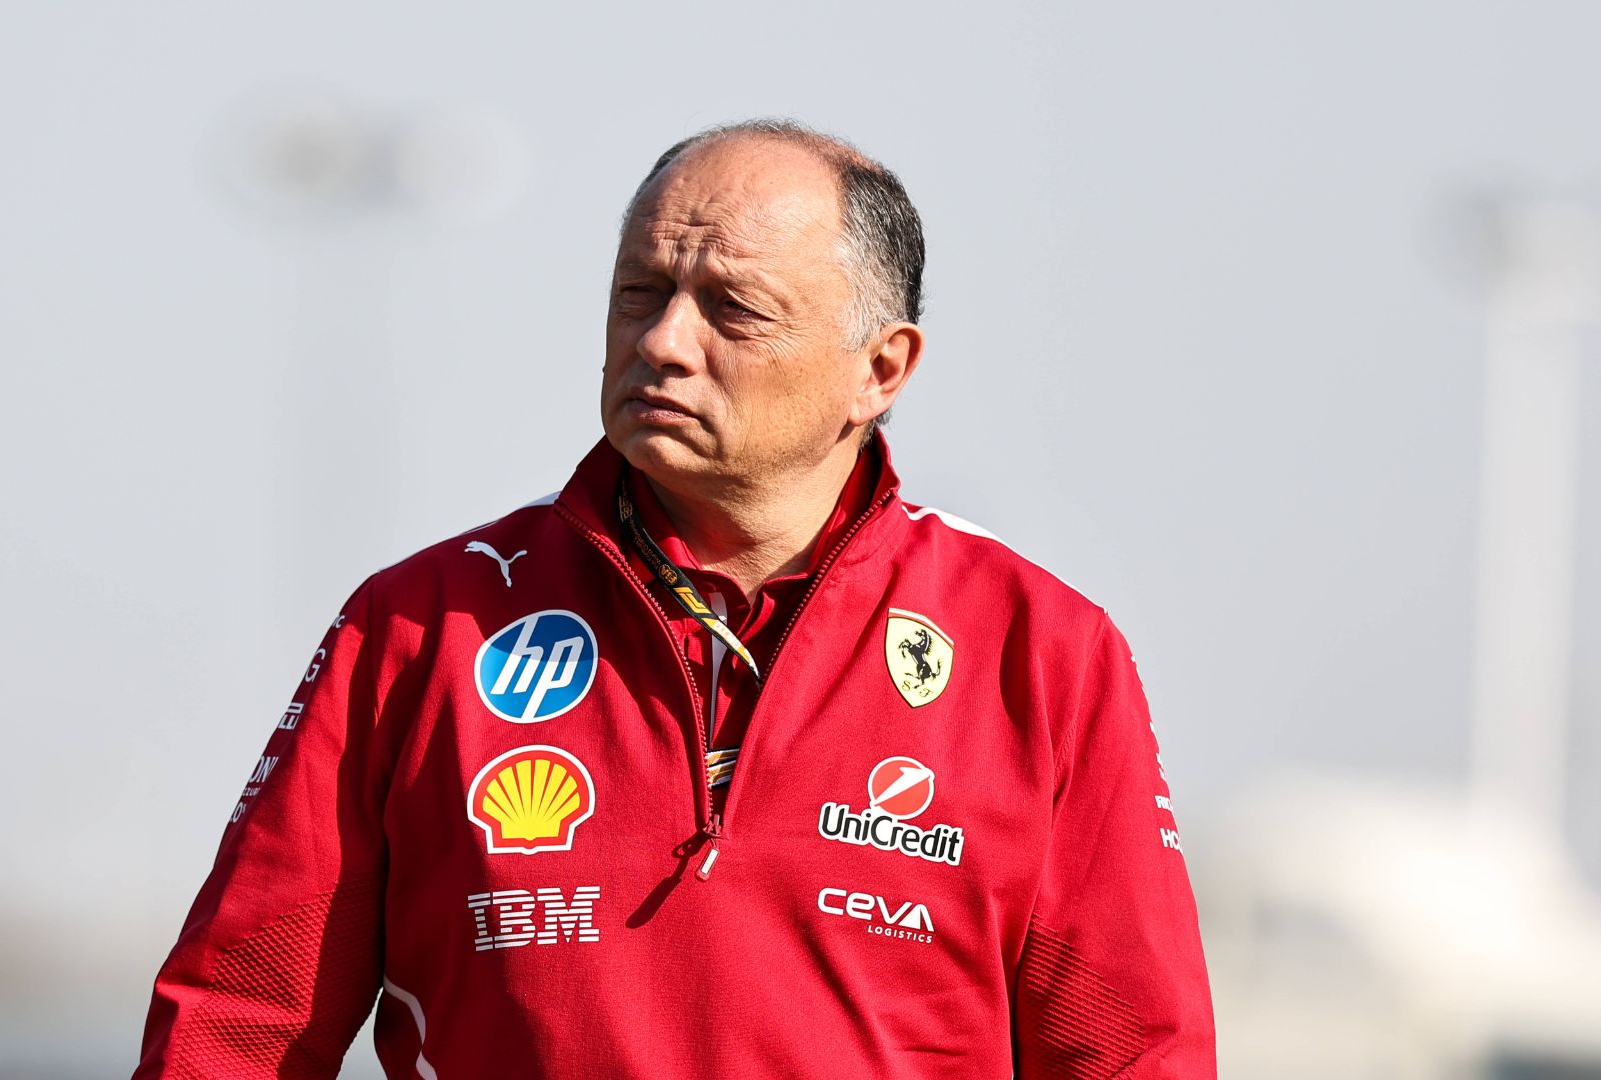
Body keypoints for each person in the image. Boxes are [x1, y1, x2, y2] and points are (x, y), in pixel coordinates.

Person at [132, 119, 1215, 1078]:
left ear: (880, 371)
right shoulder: (422, 624)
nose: (661, 342)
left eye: (731, 310)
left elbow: (1132, 1053)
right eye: (640, 294)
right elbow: (235, 1029)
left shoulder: (1042, 650)